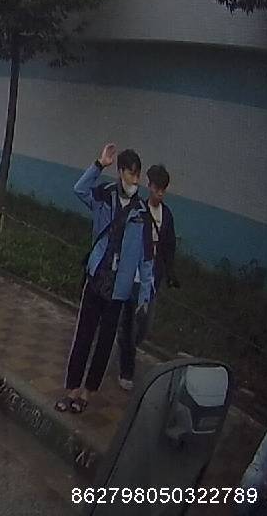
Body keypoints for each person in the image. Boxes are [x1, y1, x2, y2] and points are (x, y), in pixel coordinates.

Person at [57, 144, 155, 415]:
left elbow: (147, 260)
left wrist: (144, 297)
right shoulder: (105, 195)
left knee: (104, 343)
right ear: (121, 172)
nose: (135, 180)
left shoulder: (142, 213)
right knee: (83, 336)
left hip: (119, 289)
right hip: (96, 278)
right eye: (131, 173)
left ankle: (88, 392)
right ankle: (72, 389)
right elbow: (79, 189)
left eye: (138, 175)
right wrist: (99, 165)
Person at [117, 163, 177, 390]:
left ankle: (125, 344)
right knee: (130, 323)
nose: (159, 193)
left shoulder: (167, 215)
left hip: (152, 280)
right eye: (156, 188)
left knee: (144, 326)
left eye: (163, 189)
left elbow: (169, 246)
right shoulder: (137, 209)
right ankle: (126, 370)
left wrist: (169, 272)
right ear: (149, 186)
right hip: (133, 277)